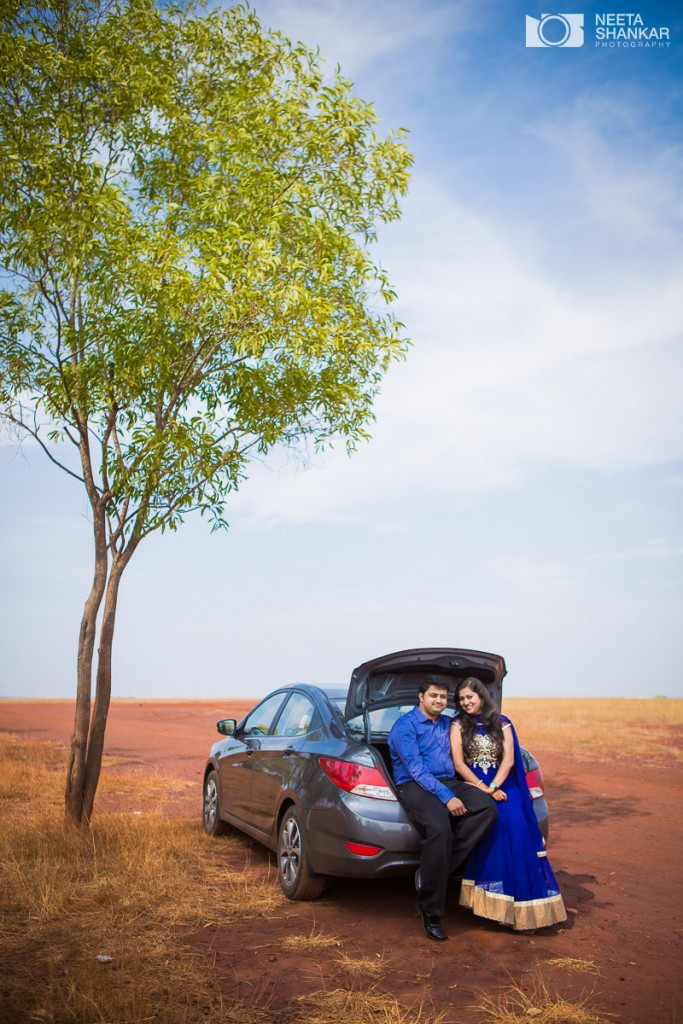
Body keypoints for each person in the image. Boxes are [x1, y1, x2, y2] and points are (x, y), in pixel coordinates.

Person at [451, 677, 567, 931]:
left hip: (504, 785)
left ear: (480, 696)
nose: (466, 702)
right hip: (475, 786)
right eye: (461, 699)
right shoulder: (458, 724)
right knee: (495, 825)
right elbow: (459, 765)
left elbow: (509, 761)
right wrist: (485, 790)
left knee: (518, 829)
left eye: (469, 697)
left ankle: (526, 908)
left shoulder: (502, 723)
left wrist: (494, 787)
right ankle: (496, 906)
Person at [387, 676, 498, 941]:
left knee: (486, 808)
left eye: (442, 697)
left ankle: (433, 872)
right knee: (440, 829)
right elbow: (416, 769)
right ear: (421, 696)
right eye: (433, 695)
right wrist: (447, 797)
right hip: (414, 785)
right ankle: (431, 912)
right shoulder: (405, 726)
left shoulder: (450, 723)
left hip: (448, 781)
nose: (439, 701)